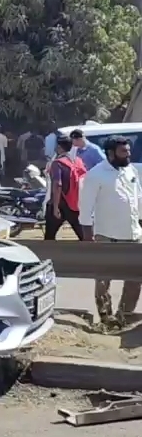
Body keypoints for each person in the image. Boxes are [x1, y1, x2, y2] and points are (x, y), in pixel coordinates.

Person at [79, 135, 142, 322]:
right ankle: (106, 318)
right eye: (123, 152)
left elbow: (138, 199)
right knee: (103, 280)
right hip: (107, 236)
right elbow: (85, 208)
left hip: (133, 233)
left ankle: (124, 315)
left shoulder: (130, 170)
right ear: (110, 153)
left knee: (135, 279)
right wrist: (87, 236)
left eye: (128, 151)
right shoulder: (96, 175)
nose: (128, 155)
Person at [44, 135, 86, 241]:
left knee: (49, 238)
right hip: (75, 203)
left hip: (60, 203)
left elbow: (58, 184)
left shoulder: (57, 163)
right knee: (84, 236)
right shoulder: (77, 161)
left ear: (59, 147)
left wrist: (55, 207)